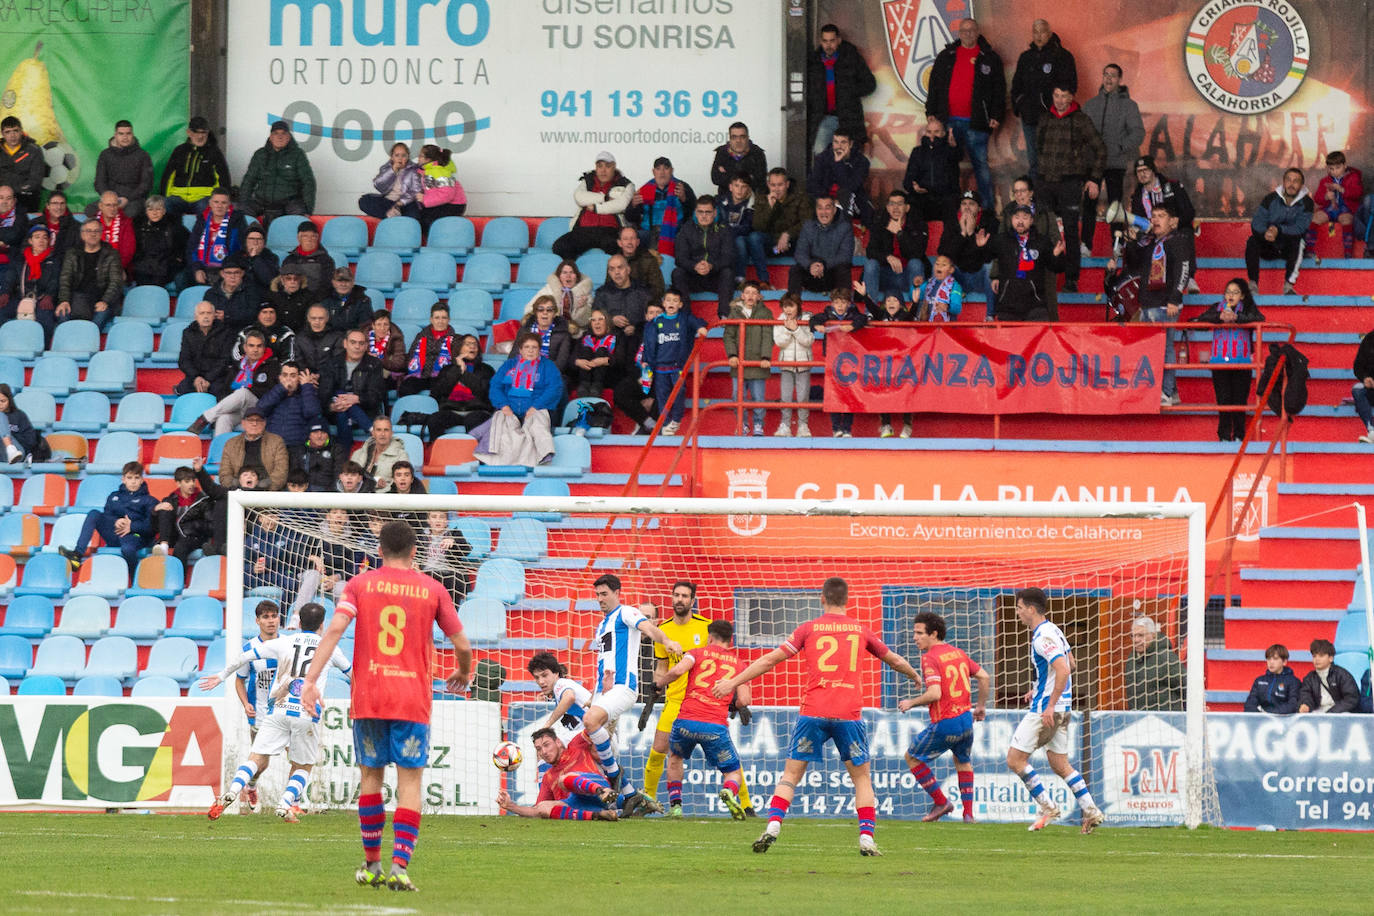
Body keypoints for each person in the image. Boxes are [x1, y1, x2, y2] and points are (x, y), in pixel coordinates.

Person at [300, 520, 472, 891]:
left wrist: (311, 681)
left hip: (370, 697)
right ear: (415, 552)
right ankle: (400, 867)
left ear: (379, 551)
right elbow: (462, 644)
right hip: (412, 699)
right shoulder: (432, 588)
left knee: (370, 778)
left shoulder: (359, 585)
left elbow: (334, 631)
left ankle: (372, 863)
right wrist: (462, 671)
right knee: (410, 783)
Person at [714, 577, 920, 856]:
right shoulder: (860, 630)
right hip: (848, 713)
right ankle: (866, 838)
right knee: (861, 778)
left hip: (813, 711)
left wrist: (732, 682)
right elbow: (893, 659)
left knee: (791, 775)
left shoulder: (808, 629)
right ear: (847, 599)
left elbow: (769, 660)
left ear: (822, 598)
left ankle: (773, 825)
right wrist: (914, 674)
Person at [204, 602, 352, 823]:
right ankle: (285, 804)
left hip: (278, 709)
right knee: (303, 765)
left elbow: (245, 656)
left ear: (299, 623)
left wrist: (221, 675)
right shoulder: (330, 647)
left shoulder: (283, 642)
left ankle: (233, 790)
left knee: (256, 757)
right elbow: (352, 675)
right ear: (322, 624)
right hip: (306, 712)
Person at [1005, 587, 1105, 834]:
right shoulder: (1054, 630)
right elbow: (1070, 661)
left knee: (1015, 759)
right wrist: (1037, 687)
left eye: (1019, 608)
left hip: (1046, 710)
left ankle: (1048, 807)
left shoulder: (1042, 637)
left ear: (1030, 609)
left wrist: (1048, 704)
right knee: (1060, 764)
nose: (1017, 613)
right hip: (1063, 707)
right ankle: (1091, 811)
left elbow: (1064, 669)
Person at [581, 573, 679, 807]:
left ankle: (615, 778)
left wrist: (666, 641)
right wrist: (594, 695)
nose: (600, 599)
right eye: (597, 595)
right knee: (596, 750)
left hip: (624, 688)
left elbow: (648, 627)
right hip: (604, 692)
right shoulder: (602, 625)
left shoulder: (626, 612)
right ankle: (631, 796)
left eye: (604, 594)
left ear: (617, 593)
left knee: (590, 721)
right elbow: (606, 661)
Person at [654, 619, 752, 819]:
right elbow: (744, 699)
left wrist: (659, 684)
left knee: (675, 758)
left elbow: (678, 670)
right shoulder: (739, 664)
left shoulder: (697, 653)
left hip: (686, 723)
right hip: (714, 726)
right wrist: (732, 705)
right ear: (730, 640)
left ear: (710, 637)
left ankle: (676, 806)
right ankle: (729, 792)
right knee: (732, 770)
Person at [898, 611, 991, 823]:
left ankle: (941, 802)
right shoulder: (958, 653)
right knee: (963, 761)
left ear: (934, 634)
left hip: (946, 722)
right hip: (966, 720)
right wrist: (981, 706)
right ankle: (968, 814)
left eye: (919, 633)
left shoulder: (930, 658)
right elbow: (984, 676)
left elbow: (935, 694)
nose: (915, 637)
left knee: (912, 757)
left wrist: (910, 703)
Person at [1116, 201, 1193, 406]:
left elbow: (1183, 270)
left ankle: (1166, 392)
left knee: (1165, 347)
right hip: (1149, 303)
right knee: (1154, 348)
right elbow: (1135, 262)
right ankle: (1172, 392)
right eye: (1154, 215)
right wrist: (1133, 241)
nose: (1155, 220)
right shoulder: (1151, 243)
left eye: (1161, 216)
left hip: (1166, 304)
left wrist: (1175, 298)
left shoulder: (1178, 241)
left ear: (1173, 221)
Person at [642, 582, 710, 807]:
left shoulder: (706, 628)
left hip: (704, 703)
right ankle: (648, 800)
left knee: (726, 757)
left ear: (692, 601)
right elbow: (662, 667)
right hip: (675, 701)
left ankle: (746, 804)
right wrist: (653, 694)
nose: (679, 599)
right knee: (658, 750)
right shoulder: (664, 631)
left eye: (685, 596)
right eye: (676, 595)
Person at [927, 18, 1006, 208]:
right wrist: (930, 111)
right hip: (948, 121)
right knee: (947, 165)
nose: (968, 34)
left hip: (977, 122)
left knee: (980, 165)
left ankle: (987, 209)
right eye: (964, 30)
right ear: (959, 33)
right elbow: (934, 86)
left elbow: (999, 89)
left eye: (971, 30)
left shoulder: (989, 57)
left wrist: (996, 114)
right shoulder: (946, 55)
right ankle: (951, 208)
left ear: (978, 32)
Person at [1035, 85, 1104, 292]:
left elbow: (1100, 149)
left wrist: (1093, 178)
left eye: (1063, 96)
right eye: (1056, 95)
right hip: (1045, 181)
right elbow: (1038, 146)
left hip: (1070, 183)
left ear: (1071, 97)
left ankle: (1071, 279)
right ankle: (1041, 277)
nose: (1059, 100)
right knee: (1041, 230)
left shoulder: (1081, 119)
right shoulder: (1045, 118)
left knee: (1071, 232)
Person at [1080, 64, 1145, 255]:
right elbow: (1080, 132)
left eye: (1113, 76)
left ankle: (1117, 244)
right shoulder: (1090, 105)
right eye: (1106, 74)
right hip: (1092, 165)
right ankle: (1085, 244)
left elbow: (1138, 132)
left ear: (1120, 80)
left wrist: (1120, 147)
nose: (1109, 79)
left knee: (1116, 205)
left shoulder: (1129, 106)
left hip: (1115, 163)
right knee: (1089, 203)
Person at [227, 598, 283, 812]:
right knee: (262, 763)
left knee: (297, 756)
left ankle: (293, 804)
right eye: (266, 617)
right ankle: (251, 785)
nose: (271, 621)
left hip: (287, 711)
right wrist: (245, 704)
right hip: (260, 714)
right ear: (257, 621)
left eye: (274, 616)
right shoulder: (249, 649)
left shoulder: (288, 645)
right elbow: (239, 680)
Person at [476, 332, 564, 466]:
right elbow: (495, 386)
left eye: (534, 347)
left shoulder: (548, 366)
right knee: (502, 425)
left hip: (535, 409)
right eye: (527, 347)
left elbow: (554, 388)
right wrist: (504, 406)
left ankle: (542, 457)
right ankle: (502, 463)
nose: (530, 350)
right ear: (520, 350)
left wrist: (536, 407)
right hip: (509, 409)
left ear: (539, 350)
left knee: (538, 424)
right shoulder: (509, 364)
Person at [495, 728, 621, 821]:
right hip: (583, 804)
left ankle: (602, 791)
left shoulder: (576, 746)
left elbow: (595, 724)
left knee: (563, 780)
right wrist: (510, 806)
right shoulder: (548, 777)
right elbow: (538, 810)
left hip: (602, 788)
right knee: (543, 807)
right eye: (538, 749)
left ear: (558, 742)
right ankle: (598, 816)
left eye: (546, 745)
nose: (543, 752)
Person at [1192, 278, 1263, 441]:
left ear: (1243, 296)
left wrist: (1236, 318)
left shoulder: (1248, 308)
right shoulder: (1217, 307)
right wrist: (1219, 317)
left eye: (1235, 292)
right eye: (1228, 292)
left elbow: (1259, 319)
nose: (1230, 295)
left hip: (1242, 363)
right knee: (1223, 401)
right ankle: (1223, 436)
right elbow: (1201, 320)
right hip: (1219, 362)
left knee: (1239, 402)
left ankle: (1239, 436)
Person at [58, 460, 156, 576]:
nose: (133, 482)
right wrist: (116, 521)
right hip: (115, 535)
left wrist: (132, 527)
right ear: (123, 479)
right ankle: (77, 555)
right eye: (129, 478)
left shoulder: (149, 500)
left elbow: (152, 527)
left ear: (141, 479)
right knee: (94, 514)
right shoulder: (114, 496)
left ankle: (135, 578)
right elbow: (107, 516)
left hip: (135, 537)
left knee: (127, 549)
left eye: (136, 478)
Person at [1010, 20, 1076, 179]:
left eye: (1042, 32)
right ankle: (1036, 200)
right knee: (1034, 161)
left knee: (1055, 161)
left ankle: (1055, 201)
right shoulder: (1025, 57)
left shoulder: (1062, 56)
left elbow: (1071, 86)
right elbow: (1016, 85)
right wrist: (1019, 106)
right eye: (1035, 32)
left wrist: (1057, 109)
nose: (1038, 36)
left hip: (1053, 118)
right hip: (1030, 118)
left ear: (1050, 33)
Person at [978, 203, 1066, 321]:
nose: (1020, 221)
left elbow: (1057, 268)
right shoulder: (1001, 240)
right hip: (1007, 307)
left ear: (1031, 220)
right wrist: (981, 247)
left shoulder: (1042, 241)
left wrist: (1056, 255)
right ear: (1011, 220)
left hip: (1036, 307)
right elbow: (985, 258)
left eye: (1024, 218)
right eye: (1017, 217)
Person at [642, 288, 708, 436]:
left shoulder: (685, 318)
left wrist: (701, 327)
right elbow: (649, 344)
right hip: (659, 368)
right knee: (662, 396)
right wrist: (646, 360)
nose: (671, 303)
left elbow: (699, 322)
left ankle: (676, 419)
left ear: (680, 304)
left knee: (679, 393)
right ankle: (665, 423)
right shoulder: (655, 322)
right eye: (668, 300)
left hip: (677, 367)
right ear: (663, 303)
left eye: (675, 301)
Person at [805, 23, 876, 155]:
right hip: (824, 117)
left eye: (832, 41)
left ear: (839, 40)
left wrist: (849, 91)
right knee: (820, 155)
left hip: (849, 118)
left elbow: (870, 84)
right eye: (825, 41)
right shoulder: (814, 61)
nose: (828, 45)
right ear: (820, 41)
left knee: (850, 157)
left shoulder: (851, 57)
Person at [552, 152, 635, 260]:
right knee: (560, 246)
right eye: (600, 166)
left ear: (614, 167)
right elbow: (579, 197)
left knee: (617, 248)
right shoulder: (588, 181)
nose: (603, 170)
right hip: (584, 229)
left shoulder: (626, 184)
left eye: (608, 166)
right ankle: (575, 273)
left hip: (610, 230)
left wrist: (596, 208)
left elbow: (621, 205)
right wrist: (604, 198)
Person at [808, 288, 868, 437]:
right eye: (837, 302)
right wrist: (817, 326)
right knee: (833, 393)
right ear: (832, 303)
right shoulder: (827, 314)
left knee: (850, 394)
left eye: (843, 302)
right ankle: (836, 428)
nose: (840, 306)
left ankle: (847, 428)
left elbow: (863, 319)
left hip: (851, 360)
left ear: (848, 303)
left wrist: (852, 326)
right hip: (833, 360)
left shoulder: (853, 314)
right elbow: (814, 319)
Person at [1245, 168, 1313, 295]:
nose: (1291, 184)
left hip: (1289, 248)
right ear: (1283, 182)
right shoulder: (1271, 199)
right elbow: (1257, 221)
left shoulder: (1307, 203)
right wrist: (1266, 232)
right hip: (1270, 244)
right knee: (1252, 241)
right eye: (1288, 180)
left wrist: (1279, 229)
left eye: (1296, 181)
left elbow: (1300, 227)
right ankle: (1253, 284)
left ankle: (1288, 285)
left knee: (1299, 242)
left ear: (1301, 185)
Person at [670, 195, 735, 319]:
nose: (703, 216)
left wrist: (711, 266)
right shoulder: (686, 229)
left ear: (715, 213)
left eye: (708, 212)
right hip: (694, 277)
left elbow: (728, 257)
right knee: (677, 273)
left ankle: (724, 316)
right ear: (695, 212)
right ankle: (685, 316)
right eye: (700, 212)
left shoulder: (724, 230)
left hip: (715, 277)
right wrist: (695, 266)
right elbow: (680, 258)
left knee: (727, 272)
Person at [239, 120, 316, 224]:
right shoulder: (260, 154)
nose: (280, 137)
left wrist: (308, 209)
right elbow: (249, 181)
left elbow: (308, 182)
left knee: (300, 218)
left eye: (283, 133)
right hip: (261, 201)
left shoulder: (298, 155)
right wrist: (243, 203)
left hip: (289, 202)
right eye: (276, 133)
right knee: (240, 214)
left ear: (289, 137)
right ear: (270, 137)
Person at [319, 327, 387, 444]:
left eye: (361, 343)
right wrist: (331, 407)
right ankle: (370, 428)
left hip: (366, 410)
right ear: (345, 344)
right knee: (341, 401)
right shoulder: (332, 363)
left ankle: (345, 456)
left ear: (366, 346)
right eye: (353, 342)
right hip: (336, 411)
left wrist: (357, 399)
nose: (357, 347)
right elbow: (324, 394)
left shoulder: (374, 364)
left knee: (343, 408)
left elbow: (376, 395)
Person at [723, 281, 774, 436]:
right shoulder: (734, 313)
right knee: (737, 397)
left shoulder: (766, 313)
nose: (751, 296)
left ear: (759, 296)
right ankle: (743, 424)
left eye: (754, 293)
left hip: (758, 363)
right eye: (748, 292)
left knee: (758, 398)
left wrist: (766, 357)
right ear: (742, 296)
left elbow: (768, 337)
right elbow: (728, 336)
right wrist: (732, 355)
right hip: (738, 363)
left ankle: (758, 424)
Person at [57, 218, 124, 335]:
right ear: (82, 234)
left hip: (102, 299)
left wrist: (105, 301)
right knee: (63, 316)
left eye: (96, 231)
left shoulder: (111, 254)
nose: (93, 234)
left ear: (101, 234)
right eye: (89, 231)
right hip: (77, 299)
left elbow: (116, 281)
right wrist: (64, 300)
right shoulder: (72, 253)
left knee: (94, 326)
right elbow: (65, 279)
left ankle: (86, 345)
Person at [422, 333, 494, 440]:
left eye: (475, 344)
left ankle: (474, 454)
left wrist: (464, 373)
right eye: (468, 344)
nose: (472, 347)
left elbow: (483, 392)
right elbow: (437, 393)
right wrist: (457, 370)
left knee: (474, 421)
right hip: (451, 410)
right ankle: (437, 451)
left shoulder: (486, 370)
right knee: (434, 420)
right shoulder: (447, 370)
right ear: (459, 348)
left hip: (477, 411)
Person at [159, 115, 232, 218]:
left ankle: (201, 233)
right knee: (164, 206)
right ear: (188, 132)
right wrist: (164, 198)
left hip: (204, 198)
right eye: (196, 132)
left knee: (206, 211)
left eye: (203, 133)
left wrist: (222, 200)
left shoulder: (214, 152)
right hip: (178, 197)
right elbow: (168, 177)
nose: (200, 136)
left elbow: (223, 180)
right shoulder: (179, 151)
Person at [862, 190, 927, 301]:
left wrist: (900, 234)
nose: (895, 208)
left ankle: (918, 313)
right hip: (885, 276)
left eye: (899, 204)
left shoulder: (918, 225)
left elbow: (917, 253)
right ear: (887, 208)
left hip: (907, 277)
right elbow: (870, 251)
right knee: (871, 264)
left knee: (916, 263)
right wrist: (888, 257)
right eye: (892, 204)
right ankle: (870, 312)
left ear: (907, 207)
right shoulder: (880, 224)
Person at [611, 299, 663, 434]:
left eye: (658, 312)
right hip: (639, 377)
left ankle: (648, 429)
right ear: (646, 316)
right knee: (620, 391)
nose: (655, 315)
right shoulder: (637, 334)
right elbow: (629, 361)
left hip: (658, 380)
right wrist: (639, 378)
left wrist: (650, 384)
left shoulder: (669, 336)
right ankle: (647, 422)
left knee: (667, 390)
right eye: (651, 312)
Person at [255, 361, 322, 464]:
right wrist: (281, 389)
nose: (288, 379)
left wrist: (307, 387)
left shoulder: (305, 395)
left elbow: (312, 413)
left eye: (293, 376)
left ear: (299, 379)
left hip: (296, 447)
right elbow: (260, 409)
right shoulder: (274, 393)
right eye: (285, 375)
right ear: (280, 378)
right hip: (272, 446)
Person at [87, 119, 154, 220]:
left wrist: (127, 199)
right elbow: (99, 182)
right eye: (121, 134)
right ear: (115, 135)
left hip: (134, 200)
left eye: (128, 133)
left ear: (133, 134)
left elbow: (146, 184)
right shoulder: (105, 155)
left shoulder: (143, 155)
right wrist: (110, 201)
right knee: (89, 210)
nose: (125, 137)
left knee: (130, 213)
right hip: (110, 199)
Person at [149, 462, 216, 561]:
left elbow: (212, 527)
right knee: (165, 508)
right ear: (178, 483)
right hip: (173, 536)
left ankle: (180, 576)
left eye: (193, 481)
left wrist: (195, 526)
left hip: (194, 536)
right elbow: (154, 528)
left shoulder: (203, 500)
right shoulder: (171, 499)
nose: (192, 484)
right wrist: (155, 511)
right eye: (187, 481)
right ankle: (164, 546)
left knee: (180, 548)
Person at [902, 115, 962, 226]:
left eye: (937, 132)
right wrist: (914, 188)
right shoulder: (917, 152)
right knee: (911, 205)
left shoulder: (950, 152)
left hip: (944, 198)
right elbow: (907, 181)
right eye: (929, 132)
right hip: (922, 198)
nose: (932, 136)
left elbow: (954, 179)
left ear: (944, 133)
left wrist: (953, 147)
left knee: (952, 204)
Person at [0, 224, 59, 335]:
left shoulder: (54, 261)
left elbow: (55, 281)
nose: (41, 240)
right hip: (20, 297)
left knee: (45, 320)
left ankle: (42, 349)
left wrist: (49, 296)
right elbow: (9, 278)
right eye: (37, 237)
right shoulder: (20, 259)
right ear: (30, 241)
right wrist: (5, 293)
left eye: (45, 237)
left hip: (43, 299)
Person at [788, 196, 852, 296]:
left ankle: (844, 307)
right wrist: (810, 265)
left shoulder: (845, 227)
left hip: (831, 275)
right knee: (795, 270)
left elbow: (845, 256)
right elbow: (800, 253)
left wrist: (824, 265)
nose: (823, 212)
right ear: (816, 210)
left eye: (827, 208)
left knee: (843, 270)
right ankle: (792, 306)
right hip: (812, 273)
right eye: (820, 208)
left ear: (834, 210)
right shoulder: (808, 225)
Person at [938, 191, 996, 300]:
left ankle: (990, 315)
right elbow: (943, 252)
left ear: (979, 208)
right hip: (959, 277)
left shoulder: (990, 223)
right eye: (964, 204)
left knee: (990, 267)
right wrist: (963, 234)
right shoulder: (952, 223)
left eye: (971, 204)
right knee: (941, 264)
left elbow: (991, 256)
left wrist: (972, 235)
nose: (967, 207)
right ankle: (938, 311)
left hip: (979, 277)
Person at [184, 188, 247, 288]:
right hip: (203, 266)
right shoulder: (202, 220)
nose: (219, 206)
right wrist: (197, 269)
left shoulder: (237, 221)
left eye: (223, 203)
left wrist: (227, 270)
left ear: (229, 205)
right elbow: (192, 247)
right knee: (182, 278)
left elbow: (242, 247)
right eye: (216, 202)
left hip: (227, 268)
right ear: (210, 203)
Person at [807, 129, 871, 225]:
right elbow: (814, 184)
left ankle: (844, 233)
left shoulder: (861, 162)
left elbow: (851, 186)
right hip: (825, 198)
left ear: (850, 144)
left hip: (852, 200)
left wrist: (838, 163)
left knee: (845, 195)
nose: (839, 146)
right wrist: (829, 201)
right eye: (836, 142)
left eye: (843, 142)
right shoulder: (822, 158)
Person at [635, 156, 695, 257]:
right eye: (658, 169)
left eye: (666, 168)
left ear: (672, 170)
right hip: (650, 231)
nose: (662, 173)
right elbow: (631, 216)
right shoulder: (645, 189)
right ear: (653, 172)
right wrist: (633, 206)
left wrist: (684, 199)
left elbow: (694, 212)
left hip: (675, 230)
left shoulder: (681, 187)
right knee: (632, 237)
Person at [772, 294, 814, 438]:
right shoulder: (779, 320)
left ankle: (803, 425)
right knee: (786, 396)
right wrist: (789, 330)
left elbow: (808, 340)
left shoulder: (808, 318)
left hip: (804, 364)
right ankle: (785, 425)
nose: (788, 309)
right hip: (786, 364)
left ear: (798, 306)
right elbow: (780, 342)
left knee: (803, 397)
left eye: (791, 306)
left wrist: (796, 329)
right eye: (785, 306)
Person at [1309, 151, 1363, 259]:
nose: (1334, 172)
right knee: (1315, 218)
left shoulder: (1353, 177)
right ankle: (1309, 250)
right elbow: (1317, 198)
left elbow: (1358, 193)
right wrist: (1325, 197)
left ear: (1345, 166)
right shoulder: (1325, 180)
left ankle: (1348, 253)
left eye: (1338, 168)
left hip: (1346, 209)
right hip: (1329, 209)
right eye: (1331, 169)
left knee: (1346, 220)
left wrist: (1342, 189)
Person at [1123, 616, 1184, 712]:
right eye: (1133, 635)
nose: (1136, 640)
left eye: (1141, 635)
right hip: (1139, 720)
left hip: (1166, 721)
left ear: (1153, 635)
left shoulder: (1166, 657)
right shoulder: (1131, 659)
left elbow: (1185, 686)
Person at [217, 407, 288, 489]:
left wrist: (260, 486)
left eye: (258, 420)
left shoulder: (276, 442)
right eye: (250, 420)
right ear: (243, 423)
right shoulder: (231, 444)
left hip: (267, 491)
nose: (254, 423)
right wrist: (240, 485)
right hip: (239, 490)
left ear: (264, 423)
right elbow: (224, 474)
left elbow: (281, 473)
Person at [174, 301, 234, 397]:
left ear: (214, 315)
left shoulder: (226, 332)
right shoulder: (188, 332)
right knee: (183, 390)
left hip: (217, 376)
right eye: (202, 313)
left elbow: (225, 360)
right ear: (196, 316)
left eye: (209, 313)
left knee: (218, 391)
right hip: (195, 376)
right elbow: (184, 360)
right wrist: (196, 378)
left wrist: (208, 379)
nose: (206, 316)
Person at [754, 167, 812, 264]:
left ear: (787, 184)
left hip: (792, 241)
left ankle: (779, 252)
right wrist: (770, 207)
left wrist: (787, 234)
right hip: (772, 241)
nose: (776, 189)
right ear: (768, 185)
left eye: (780, 185)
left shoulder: (800, 197)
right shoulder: (762, 198)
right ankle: (763, 275)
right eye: (773, 185)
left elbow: (807, 222)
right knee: (754, 238)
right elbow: (758, 226)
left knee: (802, 244)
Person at [718, 172, 767, 286]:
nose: (739, 190)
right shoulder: (721, 202)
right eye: (736, 185)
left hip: (741, 239)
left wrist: (728, 231)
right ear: (730, 187)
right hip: (722, 238)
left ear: (749, 189)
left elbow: (747, 227)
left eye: (744, 186)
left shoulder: (752, 204)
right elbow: (718, 223)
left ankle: (740, 279)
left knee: (739, 240)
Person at [399, 302, 458, 397]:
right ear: (431, 319)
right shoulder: (421, 336)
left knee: (441, 390)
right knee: (406, 388)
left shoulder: (455, 339)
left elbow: (455, 363)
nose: (440, 321)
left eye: (444, 318)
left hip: (441, 377)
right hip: (420, 375)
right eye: (437, 318)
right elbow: (411, 356)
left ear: (449, 320)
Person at [129, 195, 187, 289]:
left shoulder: (174, 226)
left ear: (164, 211)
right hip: (144, 265)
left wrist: (179, 258)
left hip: (166, 265)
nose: (154, 213)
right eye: (151, 209)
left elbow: (186, 243)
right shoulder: (138, 226)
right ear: (146, 212)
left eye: (158, 209)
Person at [528, 651, 591, 732]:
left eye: (544, 675)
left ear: (556, 673)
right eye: (537, 677)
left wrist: (547, 726)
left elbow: (569, 697)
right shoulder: (558, 695)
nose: (541, 681)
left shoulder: (560, 683)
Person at [415, 510, 468, 605]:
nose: (438, 520)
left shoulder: (454, 533)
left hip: (448, 574)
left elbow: (466, 550)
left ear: (447, 521)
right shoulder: (421, 536)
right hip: (427, 573)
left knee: (453, 582)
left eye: (442, 517)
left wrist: (454, 541)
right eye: (434, 517)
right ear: (428, 520)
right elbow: (414, 555)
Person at [572, 308, 628, 398]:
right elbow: (572, 358)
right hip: (584, 379)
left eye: (600, 319)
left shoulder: (618, 336)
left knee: (602, 350)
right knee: (586, 350)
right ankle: (584, 385)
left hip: (607, 378)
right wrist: (578, 362)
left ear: (607, 322)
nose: (597, 323)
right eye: (593, 320)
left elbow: (621, 360)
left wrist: (606, 360)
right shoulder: (585, 336)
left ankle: (597, 386)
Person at [1129, 156, 1196, 232]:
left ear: (1153, 170)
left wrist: (1178, 220)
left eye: (1145, 169)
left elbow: (1190, 212)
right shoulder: (1137, 196)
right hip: (1152, 236)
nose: (1142, 174)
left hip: (1177, 233)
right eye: (1139, 171)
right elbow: (1137, 220)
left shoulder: (1172, 186)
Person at [526, 260, 592, 336]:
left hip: (576, 334)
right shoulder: (548, 290)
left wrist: (582, 308)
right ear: (559, 277)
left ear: (576, 277)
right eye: (564, 273)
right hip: (549, 331)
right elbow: (529, 309)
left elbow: (586, 321)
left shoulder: (584, 293)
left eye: (571, 272)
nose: (568, 276)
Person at [359, 142, 422, 220]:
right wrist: (393, 170)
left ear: (408, 157)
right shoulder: (386, 168)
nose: (400, 158)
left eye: (403, 155)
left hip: (405, 203)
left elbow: (415, 191)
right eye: (397, 155)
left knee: (415, 215)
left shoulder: (414, 169)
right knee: (364, 201)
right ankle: (392, 216)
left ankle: (394, 216)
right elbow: (378, 185)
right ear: (392, 157)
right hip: (388, 202)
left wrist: (399, 204)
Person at [1298, 639, 1360, 713]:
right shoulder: (1310, 678)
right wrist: (1306, 705)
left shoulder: (1342, 674)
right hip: (1318, 713)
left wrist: (1331, 712)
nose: (1317, 659)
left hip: (1341, 713)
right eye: (1314, 656)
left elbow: (1351, 698)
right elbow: (1306, 695)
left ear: (1331, 658)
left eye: (1321, 656)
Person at [415, 144, 467, 232]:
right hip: (442, 203)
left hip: (454, 205)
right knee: (418, 214)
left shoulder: (439, 172)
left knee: (426, 220)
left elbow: (447, 195)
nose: (418, 158)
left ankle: (435, 240)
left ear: (428, 159)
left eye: (420, 156)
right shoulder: (428, 170)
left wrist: (425, 199)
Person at [593, 254, 650, 334]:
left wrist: (636, 328)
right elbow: (595, 318)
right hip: (611, 339)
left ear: (628, 270)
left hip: (638, 338)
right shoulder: (602, 293)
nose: (617, 272)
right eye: (612, 269)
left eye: (620, 267)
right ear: (609, 273)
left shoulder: (643, 292)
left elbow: (652, 318)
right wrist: (611, 320)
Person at [204, 254, 261, 334]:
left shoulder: (252, 291)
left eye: (236, 272)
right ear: (222, 274)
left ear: (242, 273)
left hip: (244, 333)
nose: (232, 276)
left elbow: (252, 315)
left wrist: (227, 316)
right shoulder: (211, 293)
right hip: (218, 334)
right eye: (228, 273)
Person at [281, 221, 335, 301]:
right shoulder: (290, 259)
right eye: (305, 236)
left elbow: (326, 286)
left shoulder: (326, 260)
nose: (309, 240)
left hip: (316, 301)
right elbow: (283, 283)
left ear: (317, 238)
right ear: (299, 238)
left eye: (313, 236)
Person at [710, 122, 768, 197]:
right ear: (730, 139)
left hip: (752, 201)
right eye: (734, 137)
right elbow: (715, 178)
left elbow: (760, 180)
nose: (738, 141)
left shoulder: (757, 153)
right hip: (726, 201)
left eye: (742, 137)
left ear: (748, 138)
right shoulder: (722, 152)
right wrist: (748, 177)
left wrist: (728, 175)